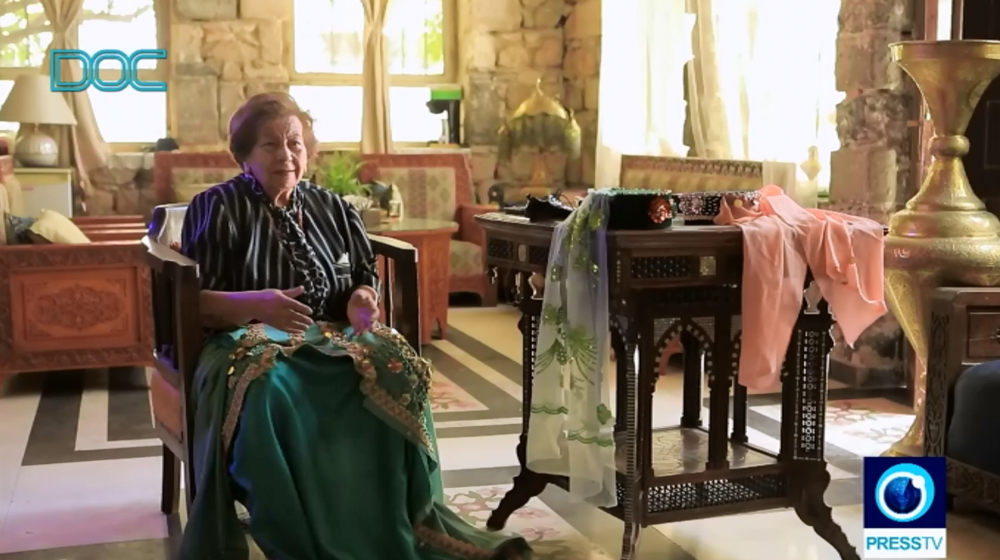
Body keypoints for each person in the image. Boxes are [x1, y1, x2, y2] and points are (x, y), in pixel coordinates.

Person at [178, 92, 530, 560]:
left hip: (329, 335)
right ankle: (302, 532)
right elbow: (193, 303)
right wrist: (257, 304)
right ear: (243, 155)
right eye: (270, 146)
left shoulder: (331, 206)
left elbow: (362, 277)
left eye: (295, 143)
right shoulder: (217, 207)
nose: (287, 155)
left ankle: (402, 515)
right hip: (244, 337)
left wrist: (365, 298)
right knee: (268, 389)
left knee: (397, 363)